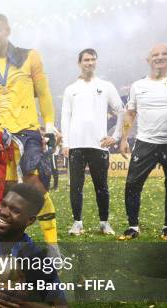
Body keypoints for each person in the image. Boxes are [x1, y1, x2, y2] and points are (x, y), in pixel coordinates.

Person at [0, 13, 59, 248]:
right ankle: (7, 250)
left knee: (37, 189)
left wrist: (49, 126)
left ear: (7, 31)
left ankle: (53, 248)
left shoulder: (29, 57)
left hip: (28, 131)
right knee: (5, 196)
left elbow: (44, 93)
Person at [118, 43, 167, 240]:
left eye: (164, 54)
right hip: (145, 142)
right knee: (132, 184)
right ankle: (133, 227)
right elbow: (130, 113)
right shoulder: (138, 86)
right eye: (155, 54)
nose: (159, 57)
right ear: (148, 60)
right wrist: (124, 138)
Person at [61, 48, 124, 236]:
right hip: (76, 146)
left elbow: (121, 110)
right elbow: (65, 116)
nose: (90, 63)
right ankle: (77, 223)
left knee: (101, 186)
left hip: (99, 145)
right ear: (79, 63)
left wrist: (116, 135)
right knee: (76, 187)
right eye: (86, 60)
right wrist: (65, 142)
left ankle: (104, 223)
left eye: (93, 60)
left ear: (96, 62)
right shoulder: (70, 89)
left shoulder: (105, 86)